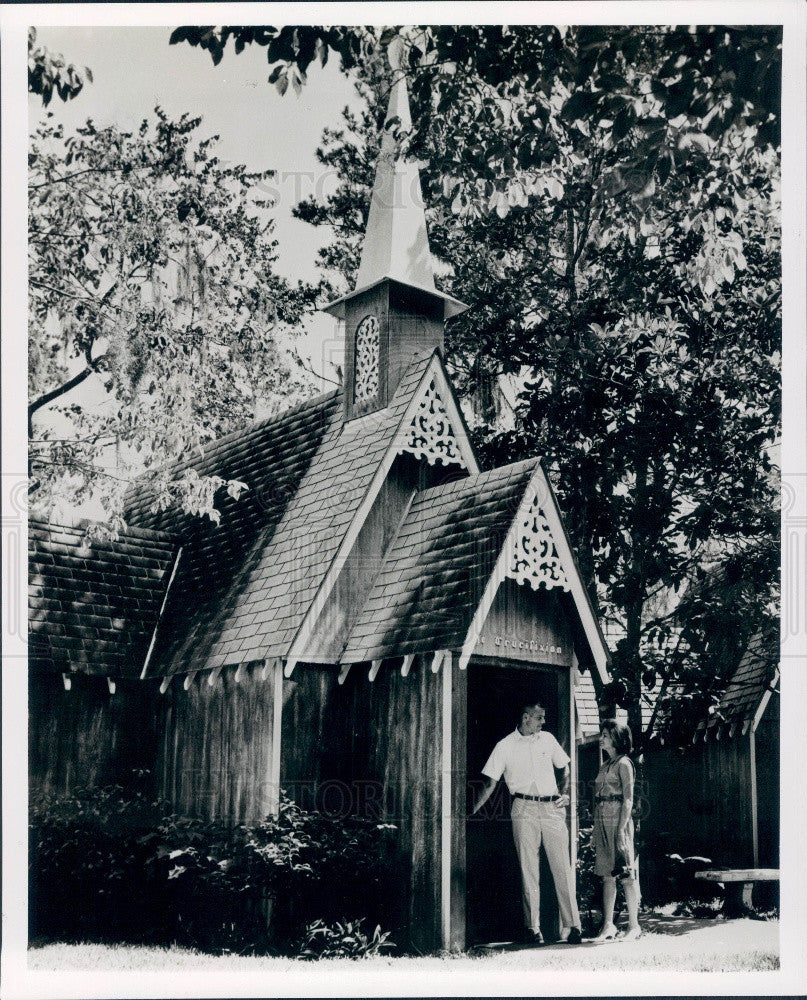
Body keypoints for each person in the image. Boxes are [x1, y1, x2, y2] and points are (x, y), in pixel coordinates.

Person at [471, 702, 582, 946]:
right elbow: (489, 783)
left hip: (552, 808)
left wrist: (566, 793)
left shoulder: (548, 739)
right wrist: (468, 813)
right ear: (526, 718)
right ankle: (533, 929)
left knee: (562, 866)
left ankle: (573, 926)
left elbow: (564, 767)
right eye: (539, 718)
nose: (543, 722)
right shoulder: (504, 746)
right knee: (528, 869)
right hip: (523, 807)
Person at [591, 718, 641, 942]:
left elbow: (629, 800)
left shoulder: (624, 763)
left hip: (618, 820)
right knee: (607, 876)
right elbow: (598, 798)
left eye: (605, 735)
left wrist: (621, 829)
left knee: (626, 874)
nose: (601, 738)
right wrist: (595, 830)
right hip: (602, 820)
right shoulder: (605, 764)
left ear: (617, 739)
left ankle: (634, 926)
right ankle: (608, 926)